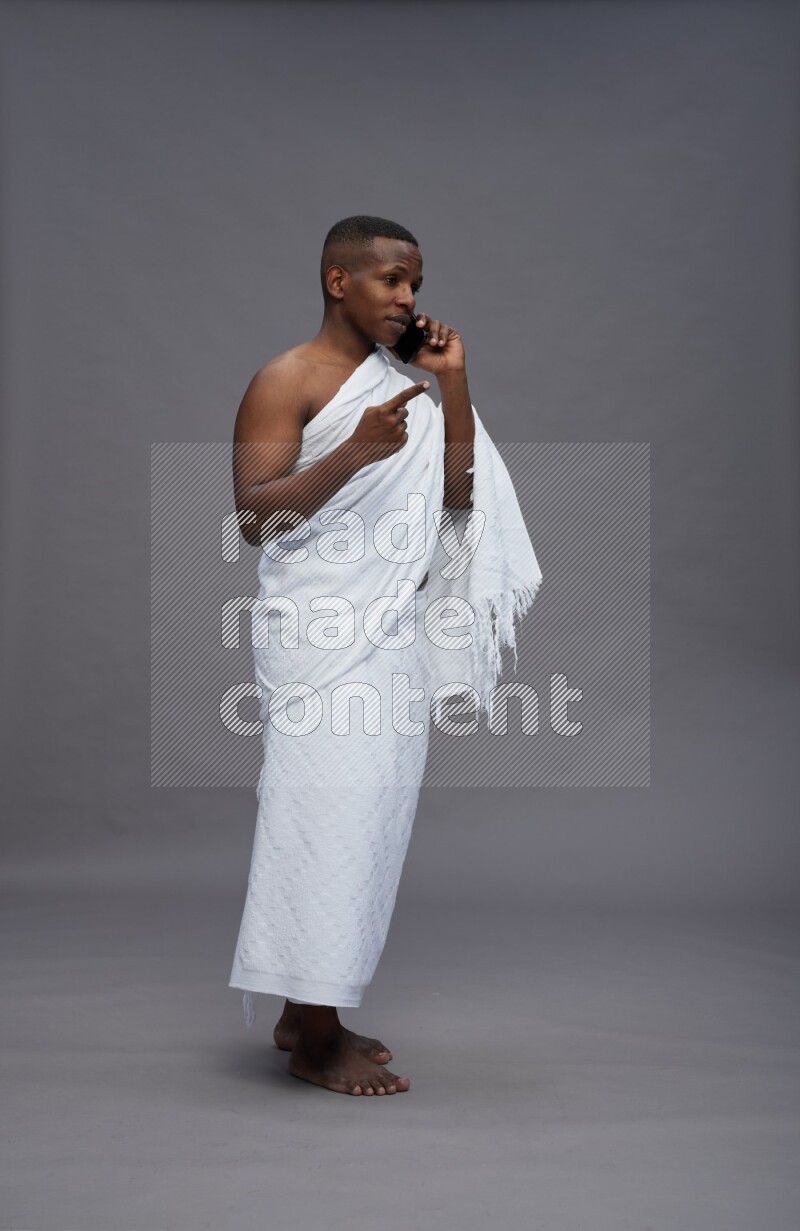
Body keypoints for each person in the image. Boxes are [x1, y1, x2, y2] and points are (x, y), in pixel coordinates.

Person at [228, 216, 541, 1097]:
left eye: (416, 283)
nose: (409, 298)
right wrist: (355, 452)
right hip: (319, 638)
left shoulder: (406, 389)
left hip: (389, 636)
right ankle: (315, 1041)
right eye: (393, 280)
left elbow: (455, 502)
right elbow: (256, 520)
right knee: (325, 817)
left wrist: (457, 383)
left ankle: (306, 1009)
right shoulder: (284, 380)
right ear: (339, 281)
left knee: (369, 824)